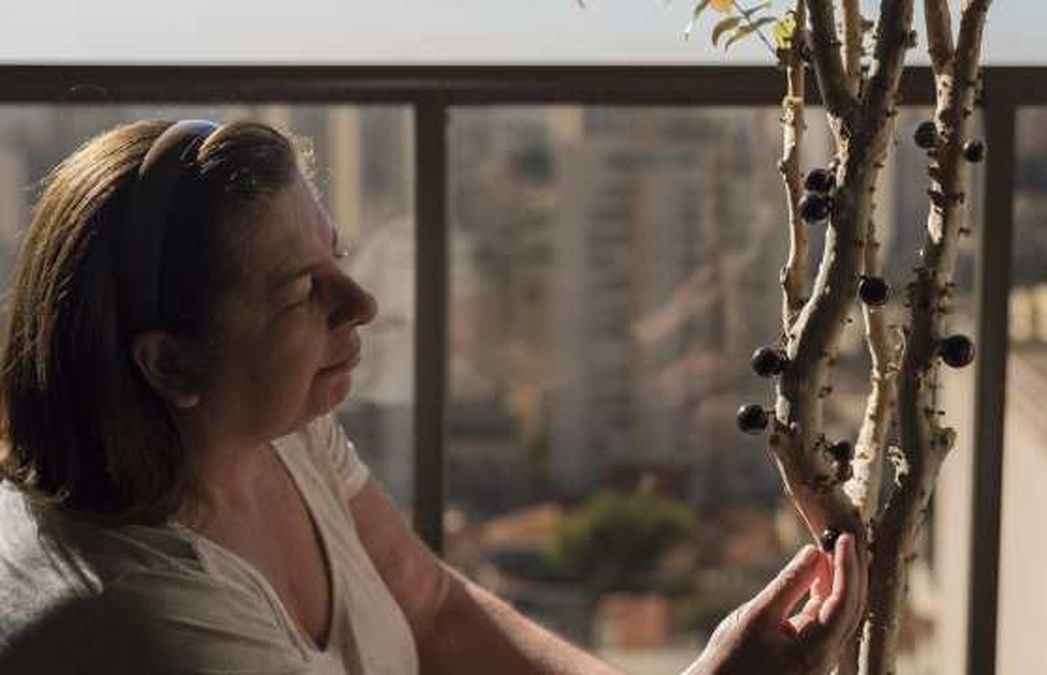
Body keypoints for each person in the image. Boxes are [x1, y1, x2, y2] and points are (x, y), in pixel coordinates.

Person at [0, 119, 866, 674]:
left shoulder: (273, 429)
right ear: (169, 365)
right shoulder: (146, 621)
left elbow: (433, 606)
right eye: (301, 292)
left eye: (337, 255)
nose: (361, 302)